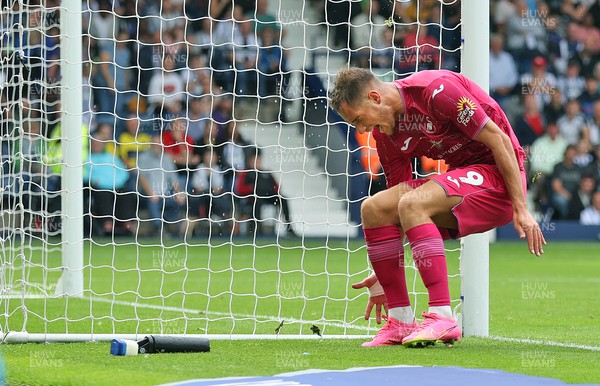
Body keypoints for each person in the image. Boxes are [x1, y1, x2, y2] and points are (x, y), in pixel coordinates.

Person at [329, 67, 545, 348]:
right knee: (374, 207)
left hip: (500, 179)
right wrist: (385, 270)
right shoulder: (386, 135)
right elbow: (395, 212)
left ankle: (442, 316)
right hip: (460, 185)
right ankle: (400, 320)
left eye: (358, 119)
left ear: (375, 97)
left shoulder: (436, 91)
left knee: (412, 202)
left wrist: (522, 208)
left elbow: (499, 140)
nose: (361, 130)